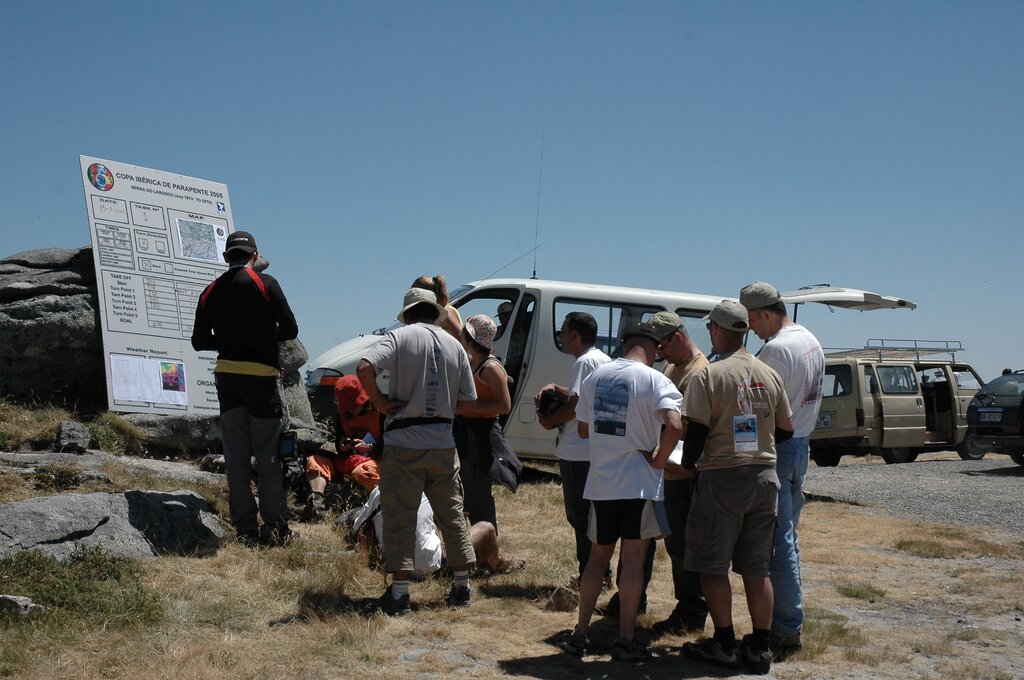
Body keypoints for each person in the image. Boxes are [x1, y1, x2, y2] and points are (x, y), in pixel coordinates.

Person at [680, 300, 794, 675]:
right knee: (757, 567)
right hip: (765, 477)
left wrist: (687, 465)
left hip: (722, 476)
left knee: (712, 566)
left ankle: (724, 643)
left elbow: (695, 429)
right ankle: (760, 649)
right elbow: (786, 430)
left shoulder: (708, 376)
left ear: (716, 329)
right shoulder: (768, 373)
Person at [557, 322, 683, 661]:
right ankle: (625, 637)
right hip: (640, 484)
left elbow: (583, 430)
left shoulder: (596, 376)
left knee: (597, 558)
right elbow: (674, 424)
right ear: (654, 350)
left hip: (602, 481)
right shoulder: (656, 380)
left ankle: (581, 630)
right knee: (633, 560)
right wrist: (658, 459)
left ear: (623, 343)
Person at [357, 287, 478, 615]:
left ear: (408, 314)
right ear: (434, 312)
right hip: (442, 442)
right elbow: (469, 400)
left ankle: (400, 594)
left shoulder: (400, 337)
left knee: (400, 515)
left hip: (404, 440)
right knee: (451, 514)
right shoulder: (455, 345)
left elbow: (364, 367)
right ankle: (462, 587)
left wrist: (381, 403)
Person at [190, 230, 299, 547]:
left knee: (236, 458)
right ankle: (276, 529)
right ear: (254, 255)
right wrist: (261, 340)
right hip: (262, 378)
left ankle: (245, 530)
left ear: (227, 258)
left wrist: (228, 341)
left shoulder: (211, 290)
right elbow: (290, 329)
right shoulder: (265, 284)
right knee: (269, 457)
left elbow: (199, 341)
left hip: (227, 378)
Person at [740, 281, 825, 657]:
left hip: (780, 447)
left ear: (765, 314)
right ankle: (787, 620)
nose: (751, 329)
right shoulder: (810, 339)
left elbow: (758, 409)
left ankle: (786, 627)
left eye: (752, 321)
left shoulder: (775, 350)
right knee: (787, 537)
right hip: (802, 443)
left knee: (777, 543)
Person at [534, 311, 611, 585]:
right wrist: (556, 387)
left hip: (577, 452)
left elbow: (577, 406)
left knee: (579, 517)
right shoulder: (601, 359)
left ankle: (590, 575)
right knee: (592, 516)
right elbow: (583, 397)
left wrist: (547, 421)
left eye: (564, 331)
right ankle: (600, 573)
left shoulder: (584, 361)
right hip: (593, 450)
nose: (561, 337)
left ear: (575, 335)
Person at [646, 311, 710, 636]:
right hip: (670, 471)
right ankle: (687, 607)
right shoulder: (674, 365)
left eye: (662, 346)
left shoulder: (698, 373)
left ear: (679, 338)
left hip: (685, 476)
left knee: (684, 545)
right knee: (675, 544)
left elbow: (686, 429)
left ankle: (692, 611)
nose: (659, 353)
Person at [453, 314, 513, 530]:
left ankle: (487, 545)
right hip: (469, 432)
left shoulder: (490, 368)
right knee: (469, 490)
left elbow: (504, 405)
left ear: (470, 339)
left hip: (481, 435)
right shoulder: (474, 363)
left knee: (478, 492)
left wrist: (467, 408)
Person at [303, 374, 383, 519]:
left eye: (355, 406)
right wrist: (342, 446)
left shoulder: (381, 412)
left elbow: (393, 447)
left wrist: (370, 447)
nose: (352, 411)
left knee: (363, 471)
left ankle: (377, 504)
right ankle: (316, 502)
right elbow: (338, 445)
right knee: (316, 460)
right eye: (348, 408)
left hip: (373, 462)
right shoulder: (341, 415)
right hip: (348, 460)